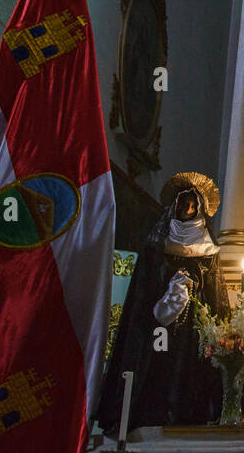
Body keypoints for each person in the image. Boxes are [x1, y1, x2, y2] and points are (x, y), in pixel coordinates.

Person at [96, 171, 232, 432]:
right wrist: (168, 286)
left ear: (200, 207)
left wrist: (193, 284)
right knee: (158, 365)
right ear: (175, 205)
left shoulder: (208, 249)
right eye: (183, 203)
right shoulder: (158, 243)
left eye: (192, 204)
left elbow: (215, 294)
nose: (187, 208)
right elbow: (143, 288)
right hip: (156, 324)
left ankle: (186, 413)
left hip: (193, 326)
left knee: (188, 367)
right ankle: (150, 413)